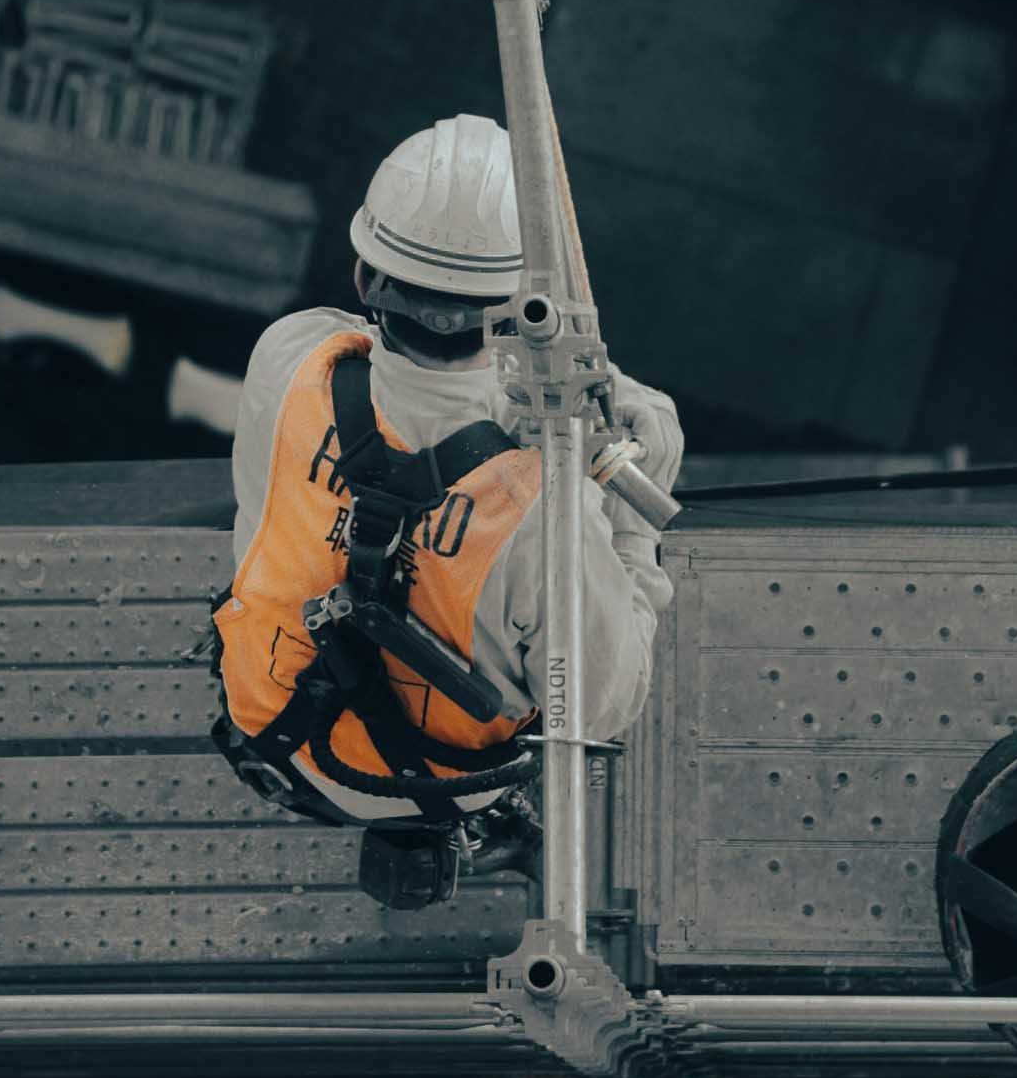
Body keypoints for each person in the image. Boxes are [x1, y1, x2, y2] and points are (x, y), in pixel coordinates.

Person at [212, 113, 681, 896]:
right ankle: (484, 820)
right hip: (439, 783)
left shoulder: (290, 357)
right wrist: (631, 497)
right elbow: (601, 711)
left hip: (271, 726)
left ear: (366, 279)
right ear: (524, 305)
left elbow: (385, 366)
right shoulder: (544, 502)